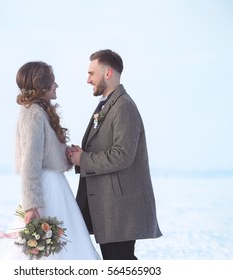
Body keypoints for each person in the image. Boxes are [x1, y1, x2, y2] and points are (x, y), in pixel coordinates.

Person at [0, 61, 100, 260]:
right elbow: (30, 163)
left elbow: (45, 153)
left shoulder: (40, 112)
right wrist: (32, 206)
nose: (57, 85)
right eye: (53, 81)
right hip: (45, 191)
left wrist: (68, 153)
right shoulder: (33, 114)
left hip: (55, 186)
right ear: (41, 84)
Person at [69, 49, 162, 260]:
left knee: (120, 263)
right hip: (108, 207)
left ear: (108, 73)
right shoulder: (108, 104)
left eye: (92, 73)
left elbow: (122, 155)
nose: (87, 79)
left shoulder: (124, 107)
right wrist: (78, 156)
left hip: (118, 209)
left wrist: (82, 159)